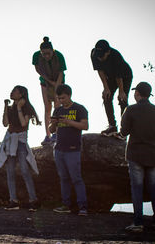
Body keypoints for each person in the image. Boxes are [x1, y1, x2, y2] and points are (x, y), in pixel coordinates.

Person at [117, 82, 155, 232]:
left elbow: (124, 132)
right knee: (154, 188)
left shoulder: (130, 109)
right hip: (152, 154)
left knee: (137, 188)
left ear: (137, 93)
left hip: (135, 154)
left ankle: (138, 223)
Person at [0, 85, 41, 211]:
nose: (12, 92)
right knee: (10, 172)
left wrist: (19, 108)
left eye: (15, 91)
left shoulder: (26, 108)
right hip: (10, 141)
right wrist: (5, 108)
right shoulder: (10, 108)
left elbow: (24, 123)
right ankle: (13, 200)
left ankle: (33, 199)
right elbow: (5, 123)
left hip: (20, 141)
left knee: (25, 171)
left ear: (21, 94)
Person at [49, 84, 89, 216]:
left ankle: (82, 207)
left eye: (63, 98)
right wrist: (54, 123)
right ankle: (65, 205)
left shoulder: (79, 109)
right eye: (59, 98)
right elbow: (51, 130)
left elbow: (85, 126)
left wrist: (68, 122)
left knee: (76, 178)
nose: (61, 101)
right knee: (63, 178)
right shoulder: (58, 110)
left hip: (73, 149)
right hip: (59, 148)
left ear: (69, 95)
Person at [91, 39, 133, 137]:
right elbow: (100, 70)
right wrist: (106, 88)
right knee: (106, 97)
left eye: (102, 56)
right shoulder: (94, 54)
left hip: (125, 77)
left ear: (108, 52)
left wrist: (121, 91)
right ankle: (112, 126)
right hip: (110, 77)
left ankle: (124, 129)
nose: (100, 59)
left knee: (122, 100)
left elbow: (119, 77)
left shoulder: (116, 56)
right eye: (98, 56)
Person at [32, 36, 67, 145]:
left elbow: (61, 73)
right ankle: (48, 135)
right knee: (47, 107)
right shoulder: (36, 55)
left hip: (59, 82)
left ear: (52, 50)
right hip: (45, 82)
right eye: (44, 54)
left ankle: (56, 133)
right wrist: (48, 81)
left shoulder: (59, 56)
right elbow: (37, 69)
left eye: (48, 53)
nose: (46, 56)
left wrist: (57, 88)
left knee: (57, 106)